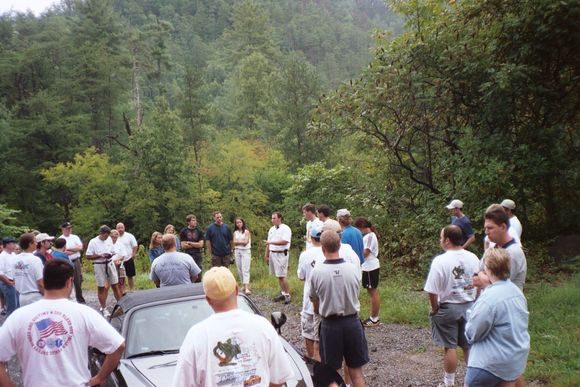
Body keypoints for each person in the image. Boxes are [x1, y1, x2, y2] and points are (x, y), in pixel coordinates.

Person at [0, 260, 125, 387]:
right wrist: (100, 377)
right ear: (69, 282)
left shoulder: (19, 316)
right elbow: (118, 346)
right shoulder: (84, 313)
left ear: (44, 281)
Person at [172, 266, 294, 387]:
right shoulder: (263, 325)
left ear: (208, 300)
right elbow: (279, 378)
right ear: (236, 290)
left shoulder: (197, 334)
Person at [309, 230, 369, 387]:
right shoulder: (353, 268)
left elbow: (314, 300)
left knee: (331, 374)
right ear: (339, 245)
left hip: (331, 325)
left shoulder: (317, 271)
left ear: (323, 248)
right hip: (352, 323)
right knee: (356, 373)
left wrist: (319, 309)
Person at [424, 225, 480, 387]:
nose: (440, 240)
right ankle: (471, 382)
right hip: (469, 305)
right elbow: (479, 282)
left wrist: (435, 309)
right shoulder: (473, 258)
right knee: (468, 346)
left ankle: (449, 383)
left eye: (441, 238)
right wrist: (475, 299)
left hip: (448, 307)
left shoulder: (440, 261)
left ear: (447, 240)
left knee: (450, 347)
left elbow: (432, 290)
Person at [464, 248, 530, 387]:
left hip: (489, 365)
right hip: (514, 361)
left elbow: (473, 333)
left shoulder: (488, 298)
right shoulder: (516, 292)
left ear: (487, 269)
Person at [476, 204, 527, 290]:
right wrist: (482, 276)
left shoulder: (513, 252)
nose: (486, 232)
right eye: (485, 228)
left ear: (503, 227)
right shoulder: (492, 246)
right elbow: (476, 274)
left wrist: (481, 275)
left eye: (490, 228)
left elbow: (497, 286)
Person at [297, 224, 325, 360]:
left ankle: (312, 363)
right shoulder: (330, 252)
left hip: (309, 301)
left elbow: (301, 276)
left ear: (312, 238)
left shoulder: (305, 255)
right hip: (326, 302)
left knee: (308, 334)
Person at [85, 225, 122, 317]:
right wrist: (101, 255)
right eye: (106, 235)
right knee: (101, 287)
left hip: (110, 263)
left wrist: (111, 254)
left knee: (115, 285)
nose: (107, 237)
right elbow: (88, 256)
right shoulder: (93, 242)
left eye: (108, 235)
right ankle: (104, 308)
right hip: (99, 265)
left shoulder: (109, 240)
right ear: (101, 233)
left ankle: (121, 306)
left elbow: (112, 250)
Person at [354, 217, 381, 327]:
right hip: (366, 267)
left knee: (372, 292)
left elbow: (366, 252)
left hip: (370, 267)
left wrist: (356, 258)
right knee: (370, 291)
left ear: (362, 227)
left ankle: (374, 318)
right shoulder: (367, 236)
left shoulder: (370, 236)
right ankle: (373, 317)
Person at [265, 212, 292, 304]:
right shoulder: (271, 229)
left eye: (274, 218)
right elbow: (268, 243)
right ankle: (283, 293)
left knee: (282, 275)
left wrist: (271, 243)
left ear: (279, 218)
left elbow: (285, 241)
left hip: (281, 253)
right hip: (273, 253)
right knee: (278, 275)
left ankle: (288, 294)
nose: (272, 220)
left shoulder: (286, 228)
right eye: (272, 218)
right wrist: (266, 255)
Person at [13, 233, 44, 307]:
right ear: (30, 244)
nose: (37, 244)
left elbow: (14, 279)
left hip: (21, 297)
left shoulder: (14, 259)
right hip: (35, 296)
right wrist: (46, 295)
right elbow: (40, 283)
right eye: (35, 241)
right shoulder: (35, 259)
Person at [58, 221, 85, 303]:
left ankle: (79, 298)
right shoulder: (61, 238)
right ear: (63, 229)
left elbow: (80, 247)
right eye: (67, 228)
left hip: (75, 260)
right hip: (66, 261)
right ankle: (68, 298)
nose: (69, 230)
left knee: (78, 280)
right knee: (68, 280)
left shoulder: (75, 237)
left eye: (70, 228)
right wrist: (74, 250)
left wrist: (70, 249)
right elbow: (63, 251)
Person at [115, 223, 138, 292]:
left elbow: (135, 245)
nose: (120, 229)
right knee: (121, 277)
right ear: (116, 228)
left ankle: (131, 289)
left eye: (121, 227)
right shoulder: (114, 237)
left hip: (128, 258)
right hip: (118, 260)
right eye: (118, 228)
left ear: (124, 228)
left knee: (130, 275)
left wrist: (133, 255)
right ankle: (123, 290)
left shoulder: (129, 236)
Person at [0, 237, 19, 316]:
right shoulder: (2, 256)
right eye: (13, 244)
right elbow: (0, 272)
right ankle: (9, 326)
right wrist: (8, 282)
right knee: (11, 308)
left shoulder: (13, 254)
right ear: (7, 245)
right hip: (8, 283)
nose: (15, 245)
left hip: (15, 282)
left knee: (17, 306)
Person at [233, 217, 252, 294]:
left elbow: (246, 242)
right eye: (237, 223)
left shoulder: (246, 232)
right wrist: (241, 242)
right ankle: (243, 285)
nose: (238, 224)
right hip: (237, 251)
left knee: (245, 268)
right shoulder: (235, 232)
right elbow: (234, 242)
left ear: (243, 223)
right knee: (239, 268)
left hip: (245, 251)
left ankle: (247, 287)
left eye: (240, 222)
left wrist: (238, 242)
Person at [110, 229, 130, 294]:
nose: (114, 238)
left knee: (122, 279)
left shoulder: (120, 244)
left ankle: (123, 292)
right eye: (112, 237)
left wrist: (118, 260)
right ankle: (117, 293)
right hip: (110, 264)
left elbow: (123, 255)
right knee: (114, 282)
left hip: (119, 264)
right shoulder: (108, 245)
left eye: (115, 237)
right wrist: (113, 261)